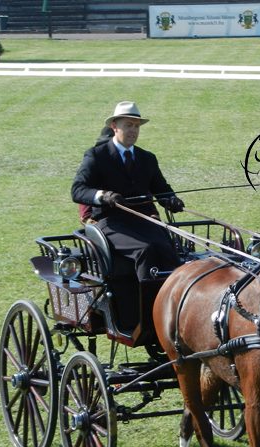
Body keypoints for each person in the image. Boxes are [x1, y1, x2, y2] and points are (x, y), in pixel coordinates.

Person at [71, 100, 185, 344]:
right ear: (114, 126)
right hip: (110, 224)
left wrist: (171, 200)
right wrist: (102, 196)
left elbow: (161, 189)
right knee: (145, 251)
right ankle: (147, 321)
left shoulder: (146, 158)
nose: (133, 130)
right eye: (127, 125)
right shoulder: (96, 156)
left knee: (169, 250)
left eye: (136, 125)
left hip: (142, 221)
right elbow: (78, 190)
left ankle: (177, 314)